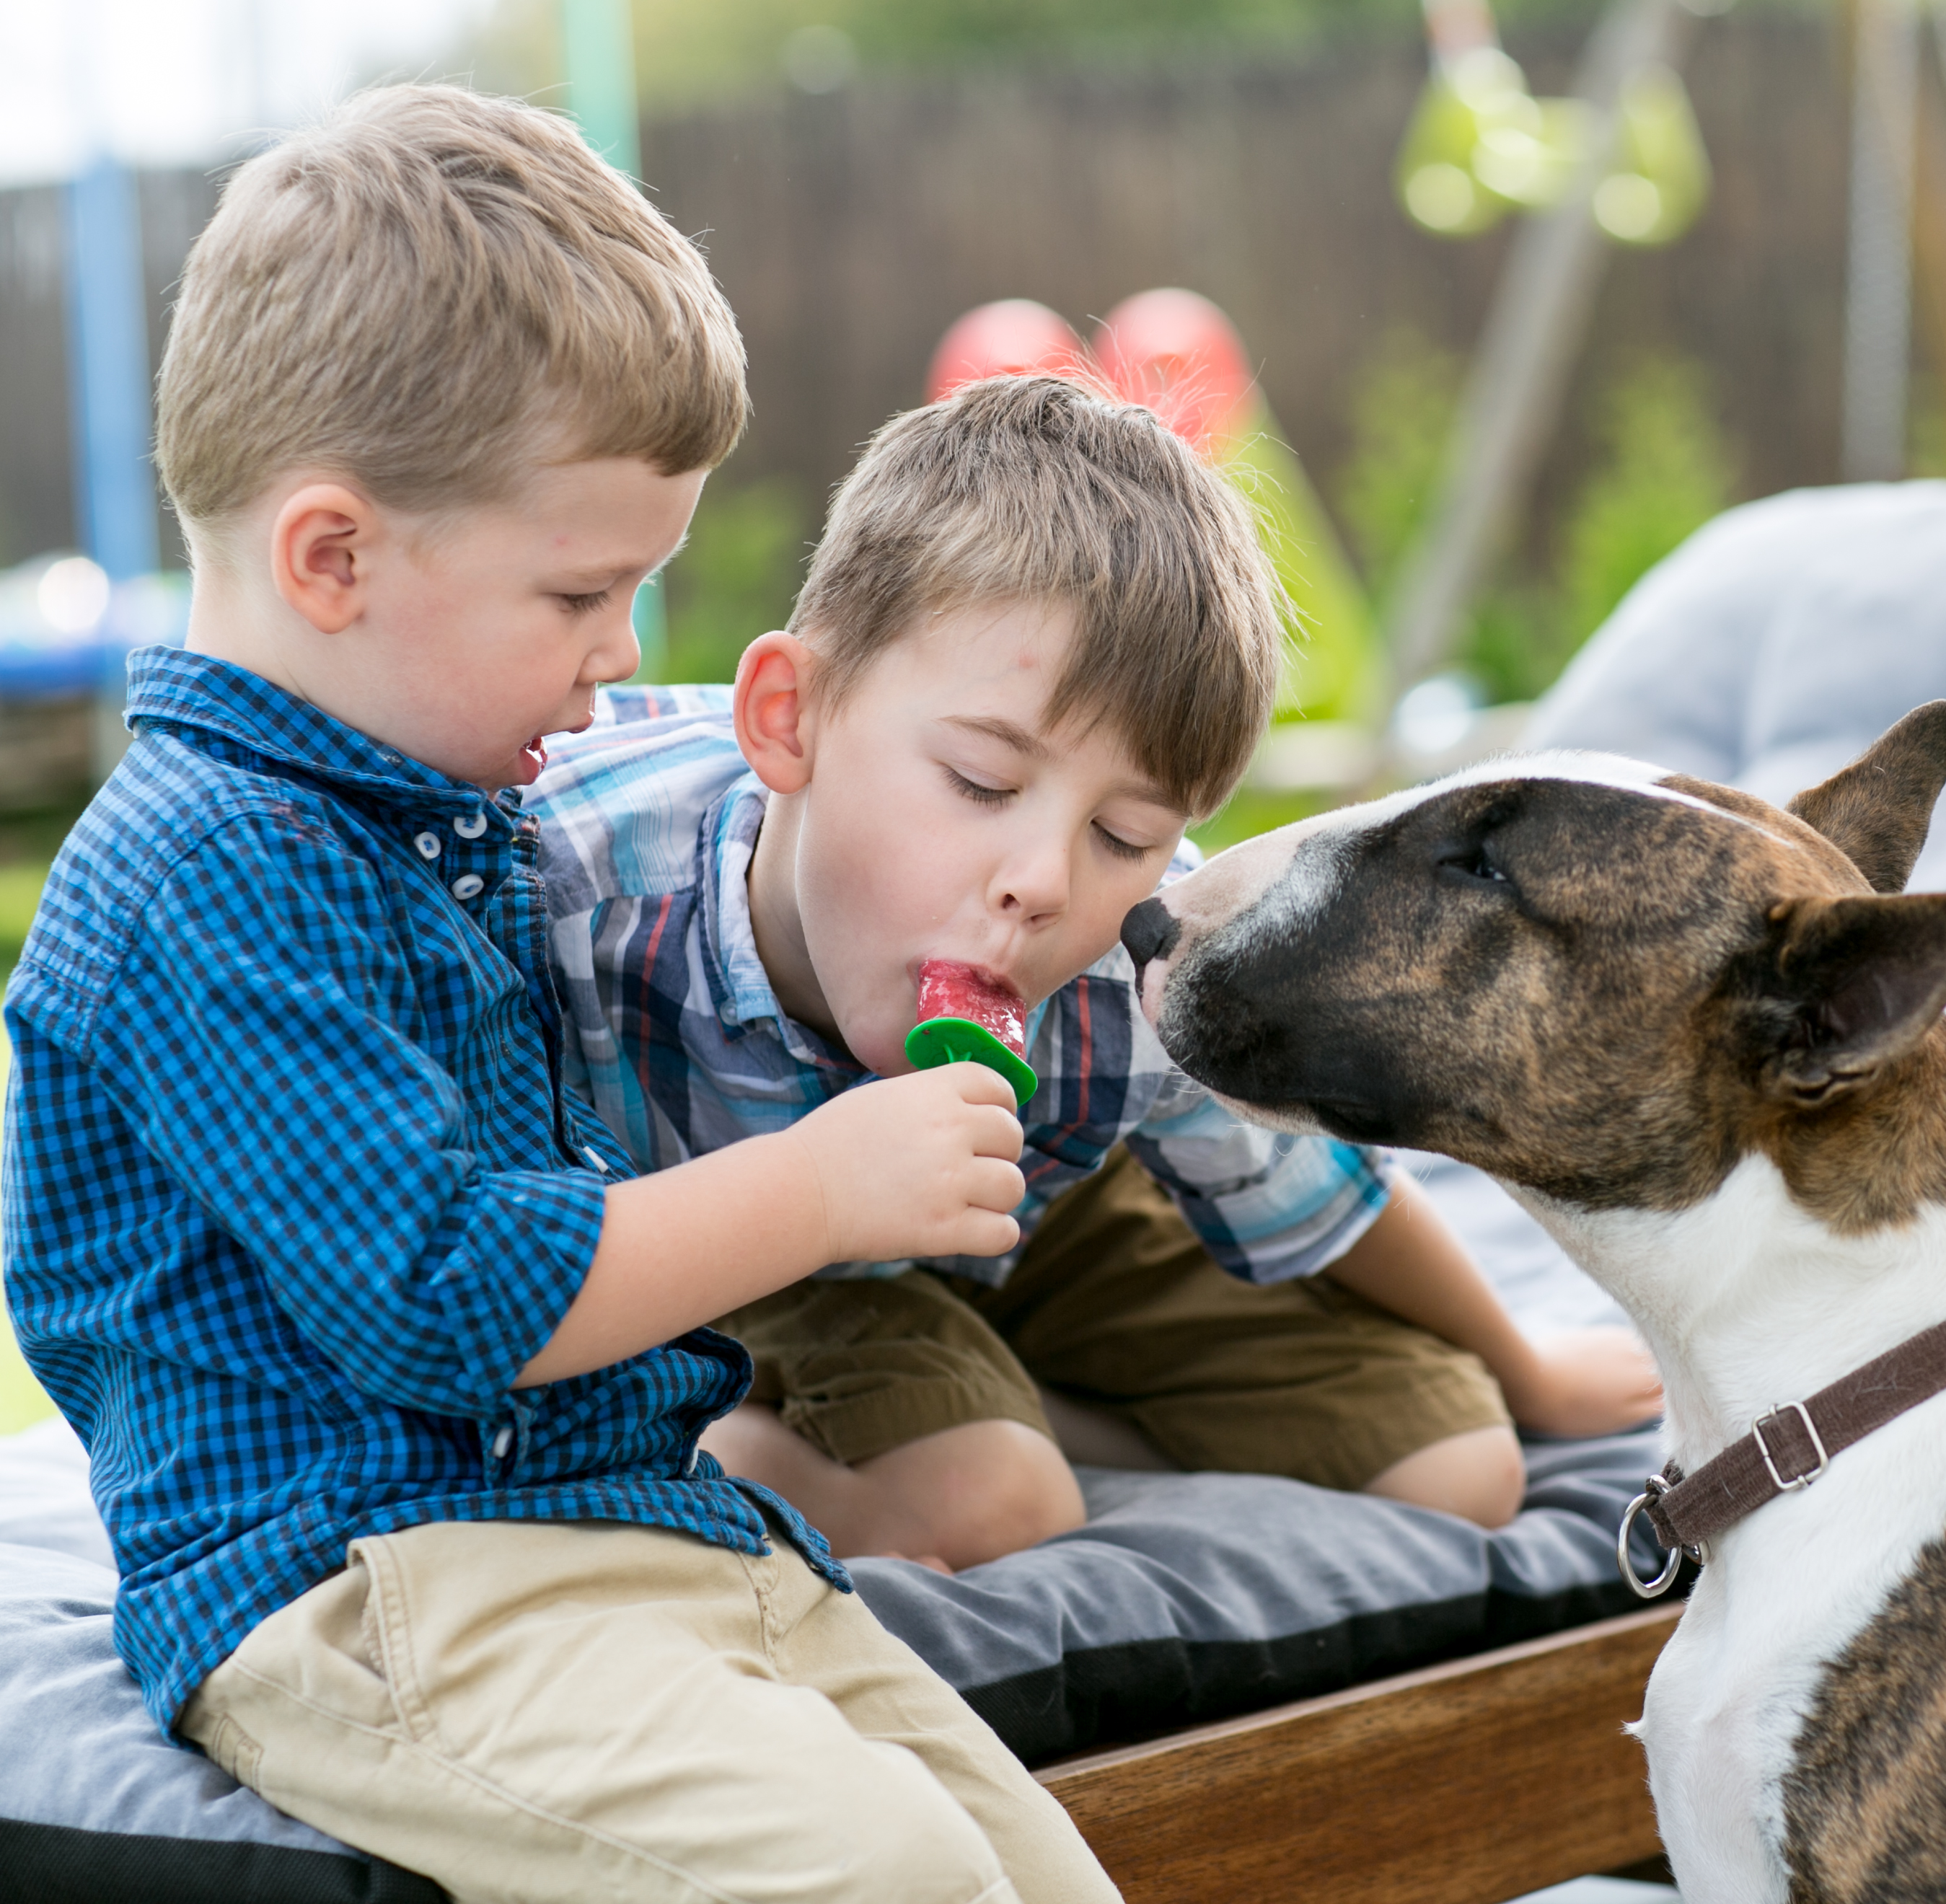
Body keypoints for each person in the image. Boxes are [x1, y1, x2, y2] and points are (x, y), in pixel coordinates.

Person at [1, 87, 1119, 1903]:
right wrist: (827, 1181)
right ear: (334, 559)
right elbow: (444, 1295)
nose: (618, 663)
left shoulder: (445, 812)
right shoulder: (194, 871)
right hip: (369, 1580)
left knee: (1038, 1877)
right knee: (886, 1881)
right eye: (585, 594)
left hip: (631, 1529)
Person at [529, 373, 1662, 1574]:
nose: (1043, 883)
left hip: (1033, 1216)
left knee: (1456, 1469)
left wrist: (1526, 1370)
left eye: (1123, 837)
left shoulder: (1138, 955)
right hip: (742, 1229)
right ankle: (741, 1448)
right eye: (980, 782)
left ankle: (1019, 1395)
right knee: (991, 1505)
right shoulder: (565, 882)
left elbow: (1324, 1201)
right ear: (790, 720)